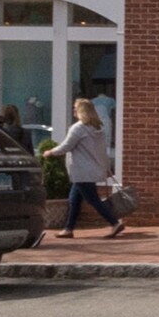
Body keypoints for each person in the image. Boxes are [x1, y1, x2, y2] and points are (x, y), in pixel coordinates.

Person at [46, 97, 125, 239]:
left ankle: (115, 222)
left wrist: (51, 152)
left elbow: (66, 146)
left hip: (81, 171)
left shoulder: (78, 128)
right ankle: (69, 229)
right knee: (74, 199)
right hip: (90, 170)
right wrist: (107, 167)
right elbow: (102, 151)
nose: (73, 111)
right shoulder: (97, 128)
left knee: (93, 200)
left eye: (75, 108)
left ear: (81, 111)